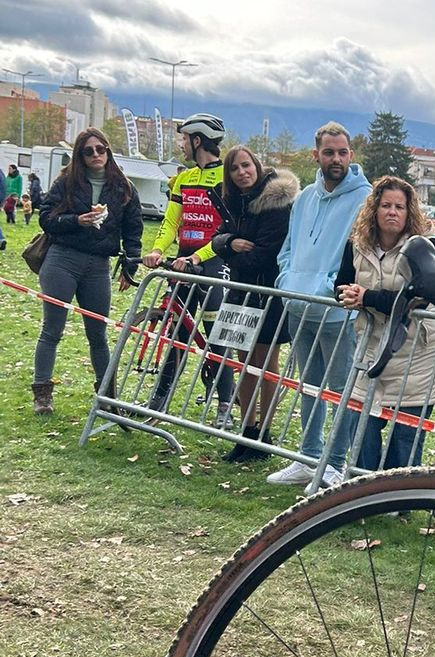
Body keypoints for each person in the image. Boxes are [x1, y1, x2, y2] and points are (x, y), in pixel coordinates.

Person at [266, 121, 371, 489]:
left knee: (343, 389)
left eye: (343, 152)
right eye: (329, 152)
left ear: (351, 155)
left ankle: (335, 464)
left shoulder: (365, 199)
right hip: (298, 304)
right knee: (308, 385)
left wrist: (330, 287)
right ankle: (309, 456)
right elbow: (290, 246)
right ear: (317, 155)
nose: (337, 158)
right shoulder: (305, 197)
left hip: (336, 312)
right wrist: (287, 277)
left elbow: (363, 254)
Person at [334, 177, 435, 472]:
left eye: (400, 206)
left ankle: (397, 500)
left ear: (410, 212)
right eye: (386, 205)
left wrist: (367, 297)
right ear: (374, 209)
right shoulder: (356, 244)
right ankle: (362, 490)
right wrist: (345, 294)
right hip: (372, 350)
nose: (392, 212)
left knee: (405, 438)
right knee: (361, 427)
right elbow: (341, 282)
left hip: (416, 354)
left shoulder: (427, 246)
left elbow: (421, 296)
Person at [32, 128, 142, 415]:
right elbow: (46, 218)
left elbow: (133, 231)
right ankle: (42, 393)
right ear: (79, 155)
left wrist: (130, 264)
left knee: (98, 333)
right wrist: (76, 220)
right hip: (62, 260)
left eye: (101, 149)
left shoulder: (124, 188)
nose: (96, 155)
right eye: (88, 151)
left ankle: (106, 397)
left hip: (98, 266)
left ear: (108, 151)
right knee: (52, 329)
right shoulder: (66, 182)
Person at [142, 112, 235, 424]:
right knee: (177, 331)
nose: (180, 145)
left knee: (216, 334)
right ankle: (161, 398)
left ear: (197, 140)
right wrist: (157, 249)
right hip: (183, 259)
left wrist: (198, 257)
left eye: (184, 139)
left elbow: (226, 229)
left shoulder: (226, 177)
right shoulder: (183, 178)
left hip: (213, 262)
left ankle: (225, 403)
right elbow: (171, 222)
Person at [208, 146, 300, 461]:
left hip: (268, 295)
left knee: (266, 366)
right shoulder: (234, 202)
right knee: (242, 363)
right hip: (240, 296)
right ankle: (246, 431)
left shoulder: (277, 203)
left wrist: (232, 252)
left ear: (256, 166)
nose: (242, 172)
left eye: (246, 165)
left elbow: (267, 254)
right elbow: (218, 239)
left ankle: (263, 431)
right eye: (235, 169)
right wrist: (229, 243)